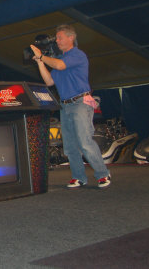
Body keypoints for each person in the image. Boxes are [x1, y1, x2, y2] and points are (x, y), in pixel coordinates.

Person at [30, 24, 111, 189]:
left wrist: (42, 56)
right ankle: (79, 177)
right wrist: (40, 62)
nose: (57, 41)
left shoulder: (77, 55)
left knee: (84, 141)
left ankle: (103, 174)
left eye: (60, 38)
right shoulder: (59, 60)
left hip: (80, 102)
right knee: (69, 145)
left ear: (71, 37)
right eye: (57, 38)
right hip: (65, 105)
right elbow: (49, 81)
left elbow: (59, 65)